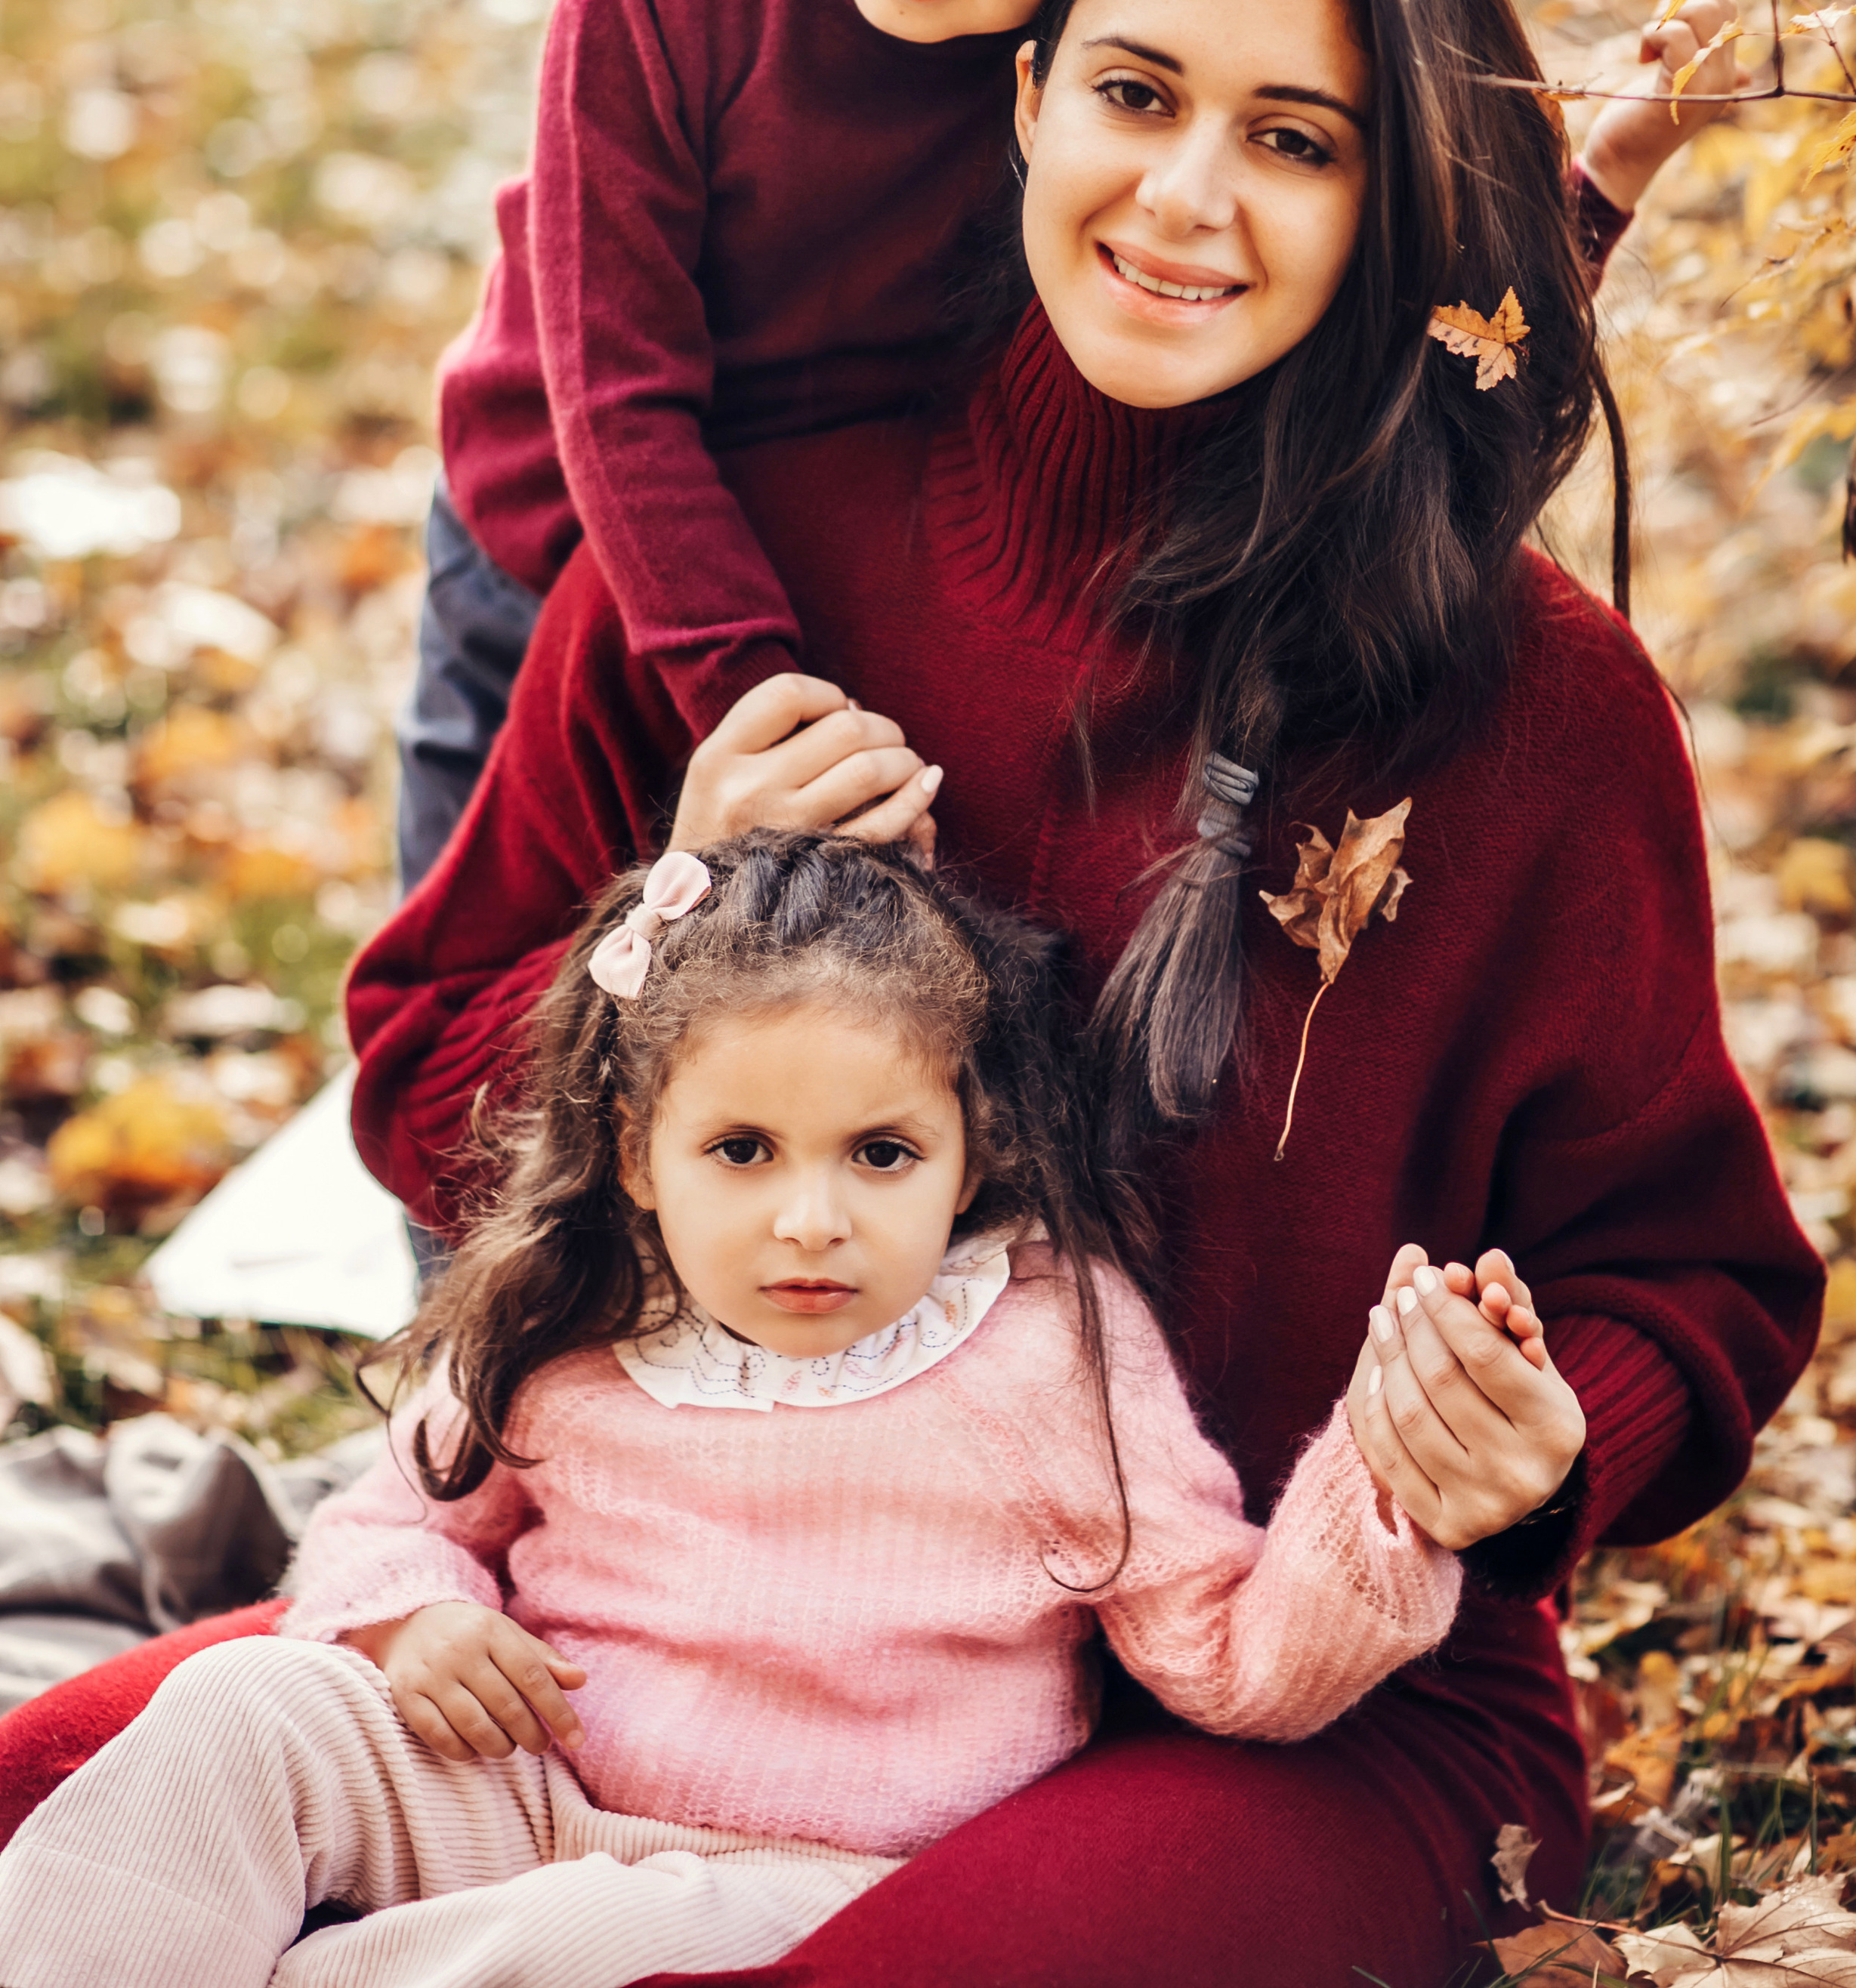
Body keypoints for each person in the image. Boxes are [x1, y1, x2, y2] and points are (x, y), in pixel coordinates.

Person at [0, 0, 1811, 1988]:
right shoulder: (758, 558)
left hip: (1279, 1705)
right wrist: (649, 942)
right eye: (1135, 95)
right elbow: (419, 1068)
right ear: (1028, 97)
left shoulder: (1535, 714)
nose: (1187, 197)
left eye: (1296, 141)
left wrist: (1538, 1445)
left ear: (1389, 202)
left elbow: (1694, 1280)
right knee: (77, 1810)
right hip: (685, 1627)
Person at [398, 0, 1739, 893]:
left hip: (853, 539)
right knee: (513, 952)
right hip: (560, 543)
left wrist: (1602, 181)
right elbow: (620, 399)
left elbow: (1386, 301)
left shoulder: (1106, 68)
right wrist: (767, 715)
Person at [0, 832, 1519, 1988]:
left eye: (876, 1153)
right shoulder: (578, 1311)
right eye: (741, 1148)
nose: (810, 1220)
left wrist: (1384, 1488)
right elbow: (396, 1510)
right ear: (638, 1152)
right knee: (237, 1710)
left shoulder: (1043, 1350)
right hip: (531, 1778)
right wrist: (407, 1612)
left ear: (969, 1148)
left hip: (810, 1873)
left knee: (541, 1944)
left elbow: (1228, 1652)